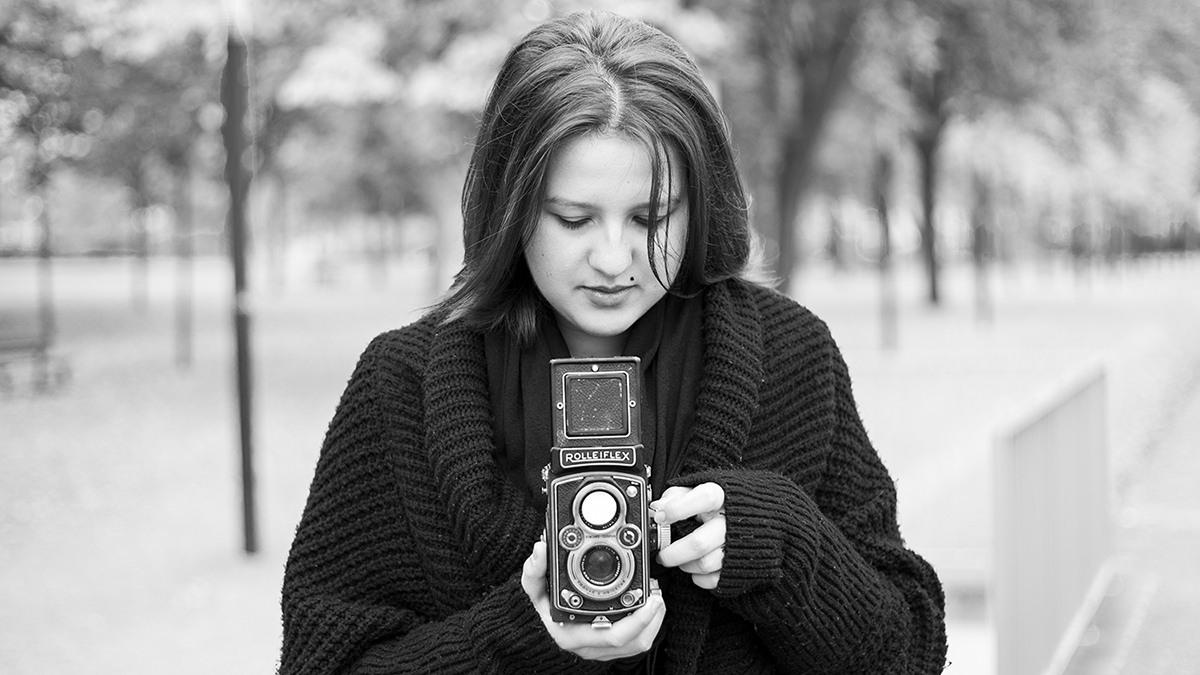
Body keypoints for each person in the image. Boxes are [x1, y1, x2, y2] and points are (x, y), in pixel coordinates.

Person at [280, 9, 947, 675]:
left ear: (699, 205)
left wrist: (790, 546)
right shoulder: (402, 385)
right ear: (509, 208)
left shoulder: (788, 358)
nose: (612, 257)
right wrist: (525, 637)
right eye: (573, 218)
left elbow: (908, 652)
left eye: (650, 217)